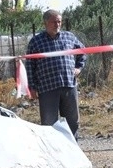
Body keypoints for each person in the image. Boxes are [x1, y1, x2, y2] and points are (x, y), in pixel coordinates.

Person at [26, 9, 86, 137]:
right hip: (47, 88)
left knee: (72, 121)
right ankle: (52, 152)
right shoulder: (36, 42)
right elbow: (30, 65)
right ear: (46, 23)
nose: (57, 24)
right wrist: (32, 87)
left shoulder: (69, 37)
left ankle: (73, 150)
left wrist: (79, 68)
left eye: (59, 22)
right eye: (54, 22)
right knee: (49, 124)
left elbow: (83, 52)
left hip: (69, 85)